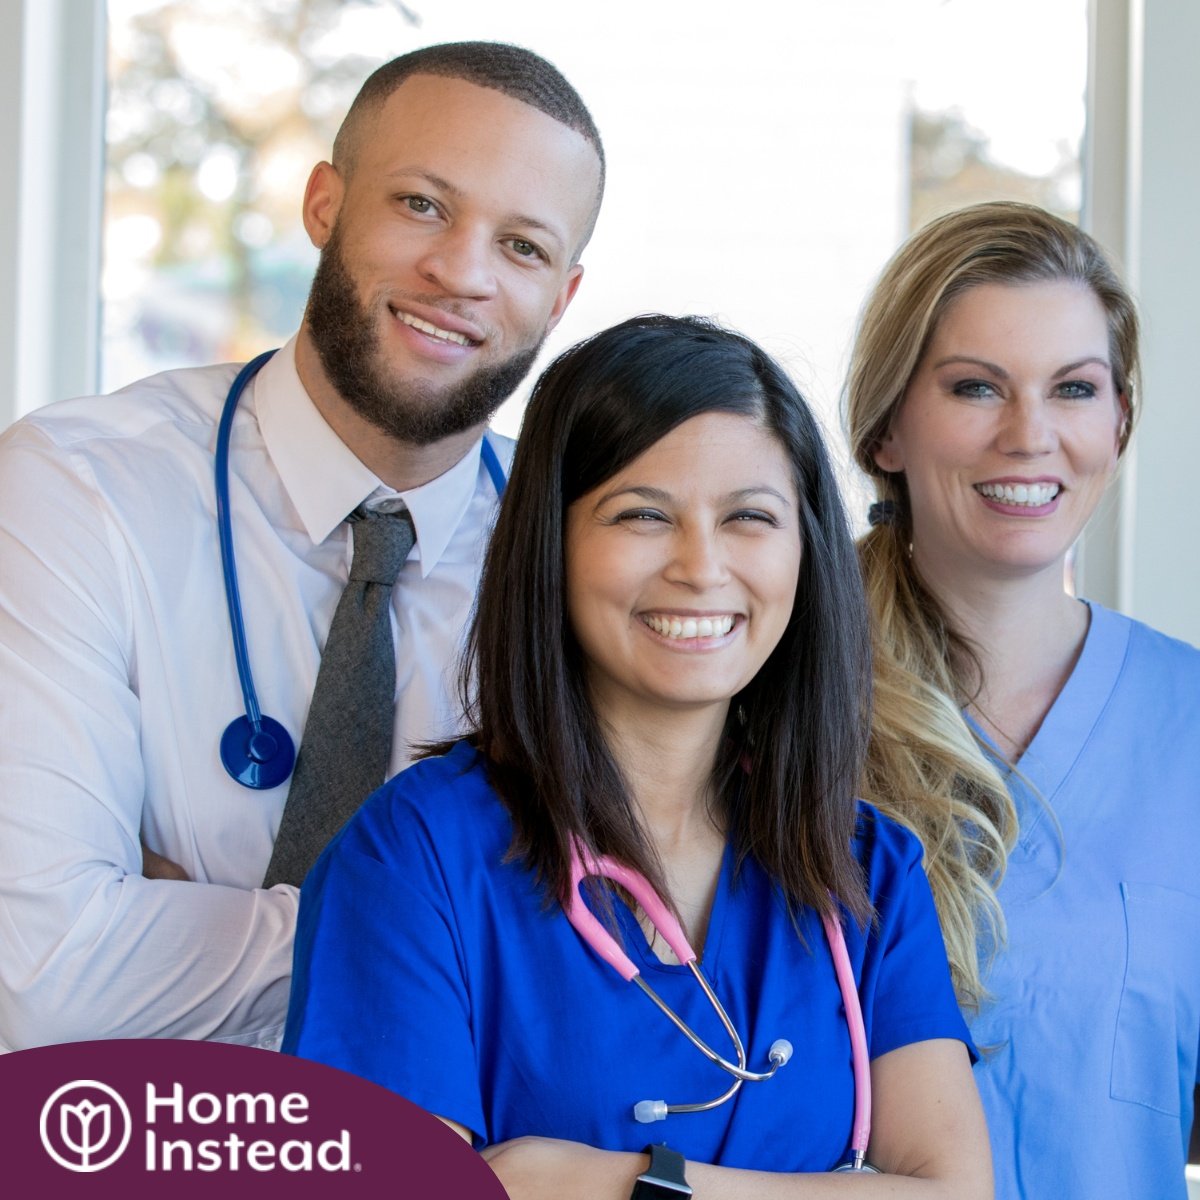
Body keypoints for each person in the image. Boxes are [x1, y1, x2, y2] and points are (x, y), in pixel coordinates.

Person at [285, 315, 992, 1197]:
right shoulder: (412, 859)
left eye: (750, 518)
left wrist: (613, 1185)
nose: (702, 567)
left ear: (805, 553)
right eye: (644, 515)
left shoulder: (868, 865)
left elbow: (955, 1192)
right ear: (552, 544)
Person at [0, 41, 605, 1051]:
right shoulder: (76, 488)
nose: (460, 272)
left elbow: (605, 982)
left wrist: (185, 915)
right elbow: (43, 984)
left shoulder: (577, 566)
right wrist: (455, 940)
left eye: (523, 247)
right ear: (325, 203)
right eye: (422, 204)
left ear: (563, 299)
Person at [846, 200, 1200, 1199]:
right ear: (886, 429)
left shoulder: (1188, 722)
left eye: (1075, 389)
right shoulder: (774, 707)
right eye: (974, 388)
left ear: (1119, 423)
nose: (1030, 435)